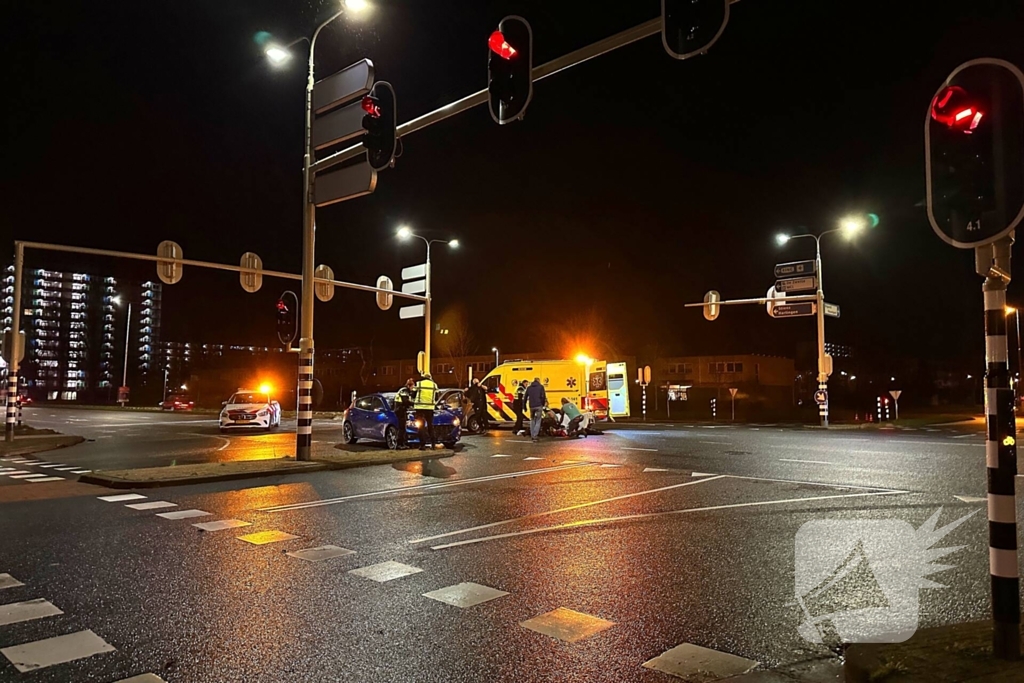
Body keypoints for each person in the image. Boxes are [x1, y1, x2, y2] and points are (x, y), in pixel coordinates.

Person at [413, 372, 439, 451]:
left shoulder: (419, 384)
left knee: (421, 426)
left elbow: (413, 395)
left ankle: (422, 445)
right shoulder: (434, 385)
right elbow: (436, 397)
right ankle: (433, 444)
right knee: (430, 426)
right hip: (430, 408)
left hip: (420, 408)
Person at [394, 379, 415, 450]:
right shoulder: (404, 391)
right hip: (400, 410)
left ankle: (402, 443)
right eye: (413, 386)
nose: (413, 388)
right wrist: (414, 404)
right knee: (401, 428)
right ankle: (399, 444)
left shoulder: (405, 391)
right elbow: (406, 401)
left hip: (401, 410)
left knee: (403, 428)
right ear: (409, 386)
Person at [524, 377, 547, 442]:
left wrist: (524, 407)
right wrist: (542, 404)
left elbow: (525, 397)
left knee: (532, 420)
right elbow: (543, 396)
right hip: (539, 405)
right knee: (538, 420)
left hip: (531, 406)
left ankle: (532, 435)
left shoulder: (529, 388)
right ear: (538, 381)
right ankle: (535, 435)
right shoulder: (541, 387)